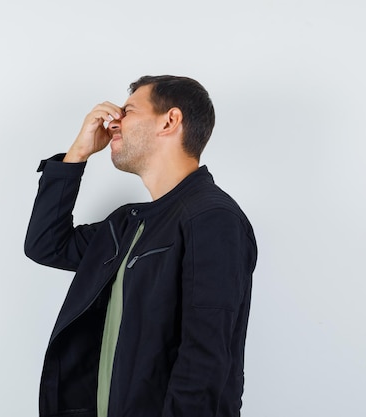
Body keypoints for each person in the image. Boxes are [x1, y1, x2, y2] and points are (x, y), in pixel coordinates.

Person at [24, 75, 257, 417]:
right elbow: (46, 244)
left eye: (128, 111)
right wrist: (78, 153)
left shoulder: (213, 219)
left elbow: (205, 361)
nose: (114, 121)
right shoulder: (127, 224)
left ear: (170, 120)